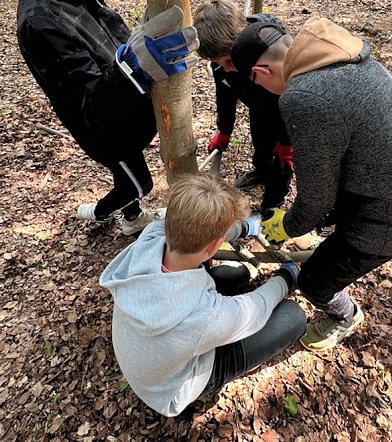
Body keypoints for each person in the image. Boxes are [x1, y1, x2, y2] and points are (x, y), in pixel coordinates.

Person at [230, 16, 392, 351]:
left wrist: (288, 225)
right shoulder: (338, 53)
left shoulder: (302, 97)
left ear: (261, 73)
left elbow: (316, 198)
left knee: (315, 282)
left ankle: (344, 317)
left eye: (257, 84)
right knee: (322, 232)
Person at [0, 0, 198, 236]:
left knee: (132, 178)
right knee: (137, 184)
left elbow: (104, 40)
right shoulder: (40, 20)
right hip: (108, 133)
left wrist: (137, 35)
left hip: (127, 117)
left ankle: (124, 211)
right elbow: (89, 105)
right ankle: (112, 214)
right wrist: (132, 68)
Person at [100, 174, 306, 417]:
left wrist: (244, 228)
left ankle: (241, 277)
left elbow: (198, 233)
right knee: (293, 316)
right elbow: (254, 309)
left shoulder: (152, 236)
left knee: (235, 275)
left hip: (147, 357)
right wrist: (284, 279)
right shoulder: (202, 315)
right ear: (213, 247)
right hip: (170, 391)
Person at [193, 0, 293, 210]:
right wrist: (224, 130)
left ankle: (273, 201)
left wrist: (286, 141)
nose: (226, 68)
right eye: (218, 62)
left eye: (229, 61)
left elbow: (289, 96)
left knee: (281, 163)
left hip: (281, 111)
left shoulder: (265, 48)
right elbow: (225, 93)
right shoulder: (223, 63)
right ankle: (260, 171)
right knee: (260, 140)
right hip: (258, 106)